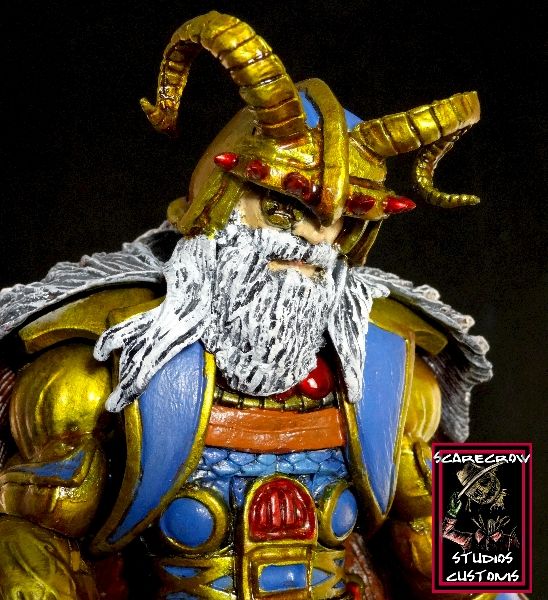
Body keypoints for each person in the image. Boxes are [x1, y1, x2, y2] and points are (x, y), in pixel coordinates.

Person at [0, 10, 511, 600]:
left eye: (340, 224)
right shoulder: (102, 365)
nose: (314, 242)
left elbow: (470, 550)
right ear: (218, 202)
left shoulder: (394, 372)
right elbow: (29, 540)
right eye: (283, 210)